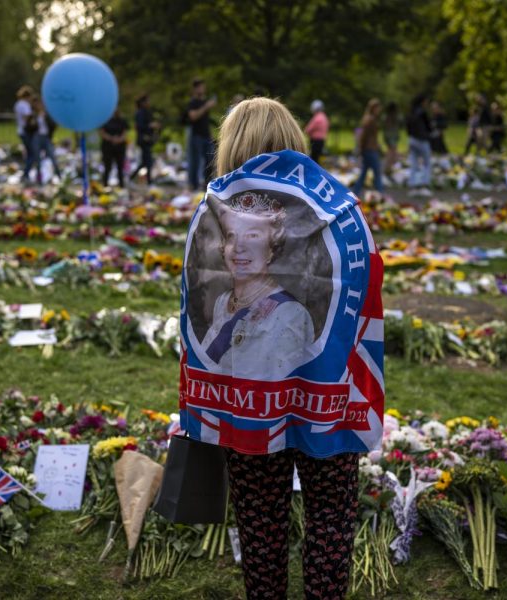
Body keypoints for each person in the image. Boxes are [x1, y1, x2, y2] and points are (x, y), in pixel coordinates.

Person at [183, 96, 383, 599]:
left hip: (248, 405)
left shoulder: (208, 218)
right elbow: (366, 299)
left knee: (260, 523)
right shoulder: (343, 212)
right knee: (331, 521)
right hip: (329, 398)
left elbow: (188, 308)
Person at [201, 192, 315, 379]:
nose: (239, 247)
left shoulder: (290, 314)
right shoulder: (224, 301)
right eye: (231, 236)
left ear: (271, 248)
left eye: (253, 236)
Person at [185, 78, 217, 190]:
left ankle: (207, 185)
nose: (203, 89)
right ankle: (193, 185)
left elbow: (205, 121)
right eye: (200, 87)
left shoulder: (204, 102)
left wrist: (211, 135)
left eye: (203, 86)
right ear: (195, 88)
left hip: (206, 136)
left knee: (210, 161)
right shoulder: (192, 103)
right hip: (196, 136)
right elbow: (193, 116)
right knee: (196, 162)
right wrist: (206, 107)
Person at [353, 98, 384, 195]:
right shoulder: (369, 119)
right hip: (370, 149)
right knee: (377, 172)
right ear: (374, 108)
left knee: (364, 172)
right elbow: (364, 135)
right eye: (378, 108)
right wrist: (361, 148)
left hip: (371, 148)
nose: (380, 110)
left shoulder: (371, 119)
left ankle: (356, 191)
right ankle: (380, 193)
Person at [30, 95, 60, 185]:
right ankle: (39, 178)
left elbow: (53, 125)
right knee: (37, 159)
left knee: (52, 156)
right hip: (37, 136)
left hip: (46, 137)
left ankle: (59, 176)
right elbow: (30, 126)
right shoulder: (34, 114)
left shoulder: (47, 114)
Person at [406, 93, 433, 193]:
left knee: (414, 163)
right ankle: (424, 184)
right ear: (422, 102)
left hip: (412, 139)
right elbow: (428, 126)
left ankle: (413, 184)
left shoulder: (411, 112)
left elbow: (407, 126)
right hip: (422, 140)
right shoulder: (422, 112)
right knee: (426, 163)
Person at [133, 94, 159, 184]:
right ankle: (149, 181)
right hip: (143, 140)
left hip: (147, 140)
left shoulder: (147, 112)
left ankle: (132, 177)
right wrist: (150, 125)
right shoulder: (140, 113)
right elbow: (140, 126)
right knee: (148, 162)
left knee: (145, 162)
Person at [99, 108, 128, 188]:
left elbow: (125, 133)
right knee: (107, 166)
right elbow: (101, 132)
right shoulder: (105, 120)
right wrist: (111, 138)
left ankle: (121, 185)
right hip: (108, 147)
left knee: (120, 167)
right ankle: (105, 185)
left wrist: (119, 139)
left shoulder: (122, 121)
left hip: (120, 147)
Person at [14, 85, 36, 184]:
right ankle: (26, 174)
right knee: (32, 154)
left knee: (29, 153)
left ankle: (26, 173)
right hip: (25, 131)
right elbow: (27, 117)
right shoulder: (24, 105)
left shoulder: (18, 104)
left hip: (20, 130)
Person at [304, 99, 329, 164]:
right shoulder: (324, 117)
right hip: (322, 140)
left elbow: (308, 129)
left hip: (315, 141)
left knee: (314, 158)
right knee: (317, 157)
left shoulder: (317, 118)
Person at [382, 101, 401, 173]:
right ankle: (387, 168)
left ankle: (389, 167)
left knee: (391, 151)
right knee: (392, 152)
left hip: (388, 136)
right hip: (392, 137)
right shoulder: (394, 116)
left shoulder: (386, 116)